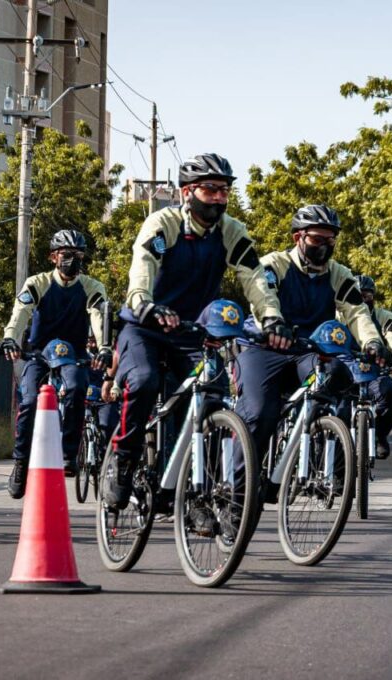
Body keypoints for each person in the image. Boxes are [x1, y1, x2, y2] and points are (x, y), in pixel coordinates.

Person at [103, 153, 291, 509]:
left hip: (192, 333)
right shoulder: (163, 223)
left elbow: (254, 278)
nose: (219, 198)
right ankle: (124, 459)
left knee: (213, 398)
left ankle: (197, 497)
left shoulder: (231, 231)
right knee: (143, 381)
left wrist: (271, 318)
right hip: (145, 326)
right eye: (211, 189)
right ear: (187, 192)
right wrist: (144, 302)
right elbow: (143, 264)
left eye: (225, 191)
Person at [234, 204, 386, 462]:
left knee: (338, 373)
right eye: (317, 239)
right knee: (259, 413)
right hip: (265, 348)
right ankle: (239, 484)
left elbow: (357, 312)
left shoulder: (340, 274)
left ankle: (315, 442)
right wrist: (273, 322)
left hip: (307, 352)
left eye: (330, 240)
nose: (324, 246)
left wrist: (372, 341)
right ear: (298, 237)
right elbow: (264, 295)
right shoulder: (274, 264)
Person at [0, 229, 110, 499]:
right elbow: (20, 313)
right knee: (28, 401)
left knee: (76, 388)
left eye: (78, 255)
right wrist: (10, 337)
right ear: (53, 257)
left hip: (74, 354)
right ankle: (20, 462)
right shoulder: (37, 283)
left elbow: (99, 317)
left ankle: (69, 454)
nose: (72, 260)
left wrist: (105, 347)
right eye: (66, 254)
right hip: (38, 353)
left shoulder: (92, 286)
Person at [354, 274, 392, 459]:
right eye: (358, 295)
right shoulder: (340, 314)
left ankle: (379, 435)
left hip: (374, 372)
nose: (363, 299)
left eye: (367, 295)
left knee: (391, 392)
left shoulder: (383, 316)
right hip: (346, 370)